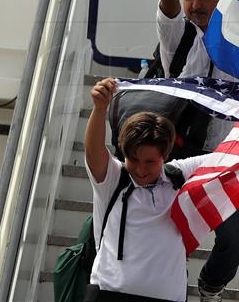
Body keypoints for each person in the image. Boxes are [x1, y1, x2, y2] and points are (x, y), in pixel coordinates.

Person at [157, 0, 239, 301]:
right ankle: (169, 291)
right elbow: (166, 1)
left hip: (225, 159)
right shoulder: (177, 36)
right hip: (174, 155)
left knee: (235, 240)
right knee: (167, 236)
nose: (196, 4)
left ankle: (209, 289)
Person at [84, 78, 205, 301]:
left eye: (150, 162)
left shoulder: (180, 175)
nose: (140, 169)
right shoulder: (113, 178)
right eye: (133, 159)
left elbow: (234, 157)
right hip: (108, 295)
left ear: (165, 155)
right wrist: (100, 108)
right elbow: (93, 153)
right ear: (122, 151)